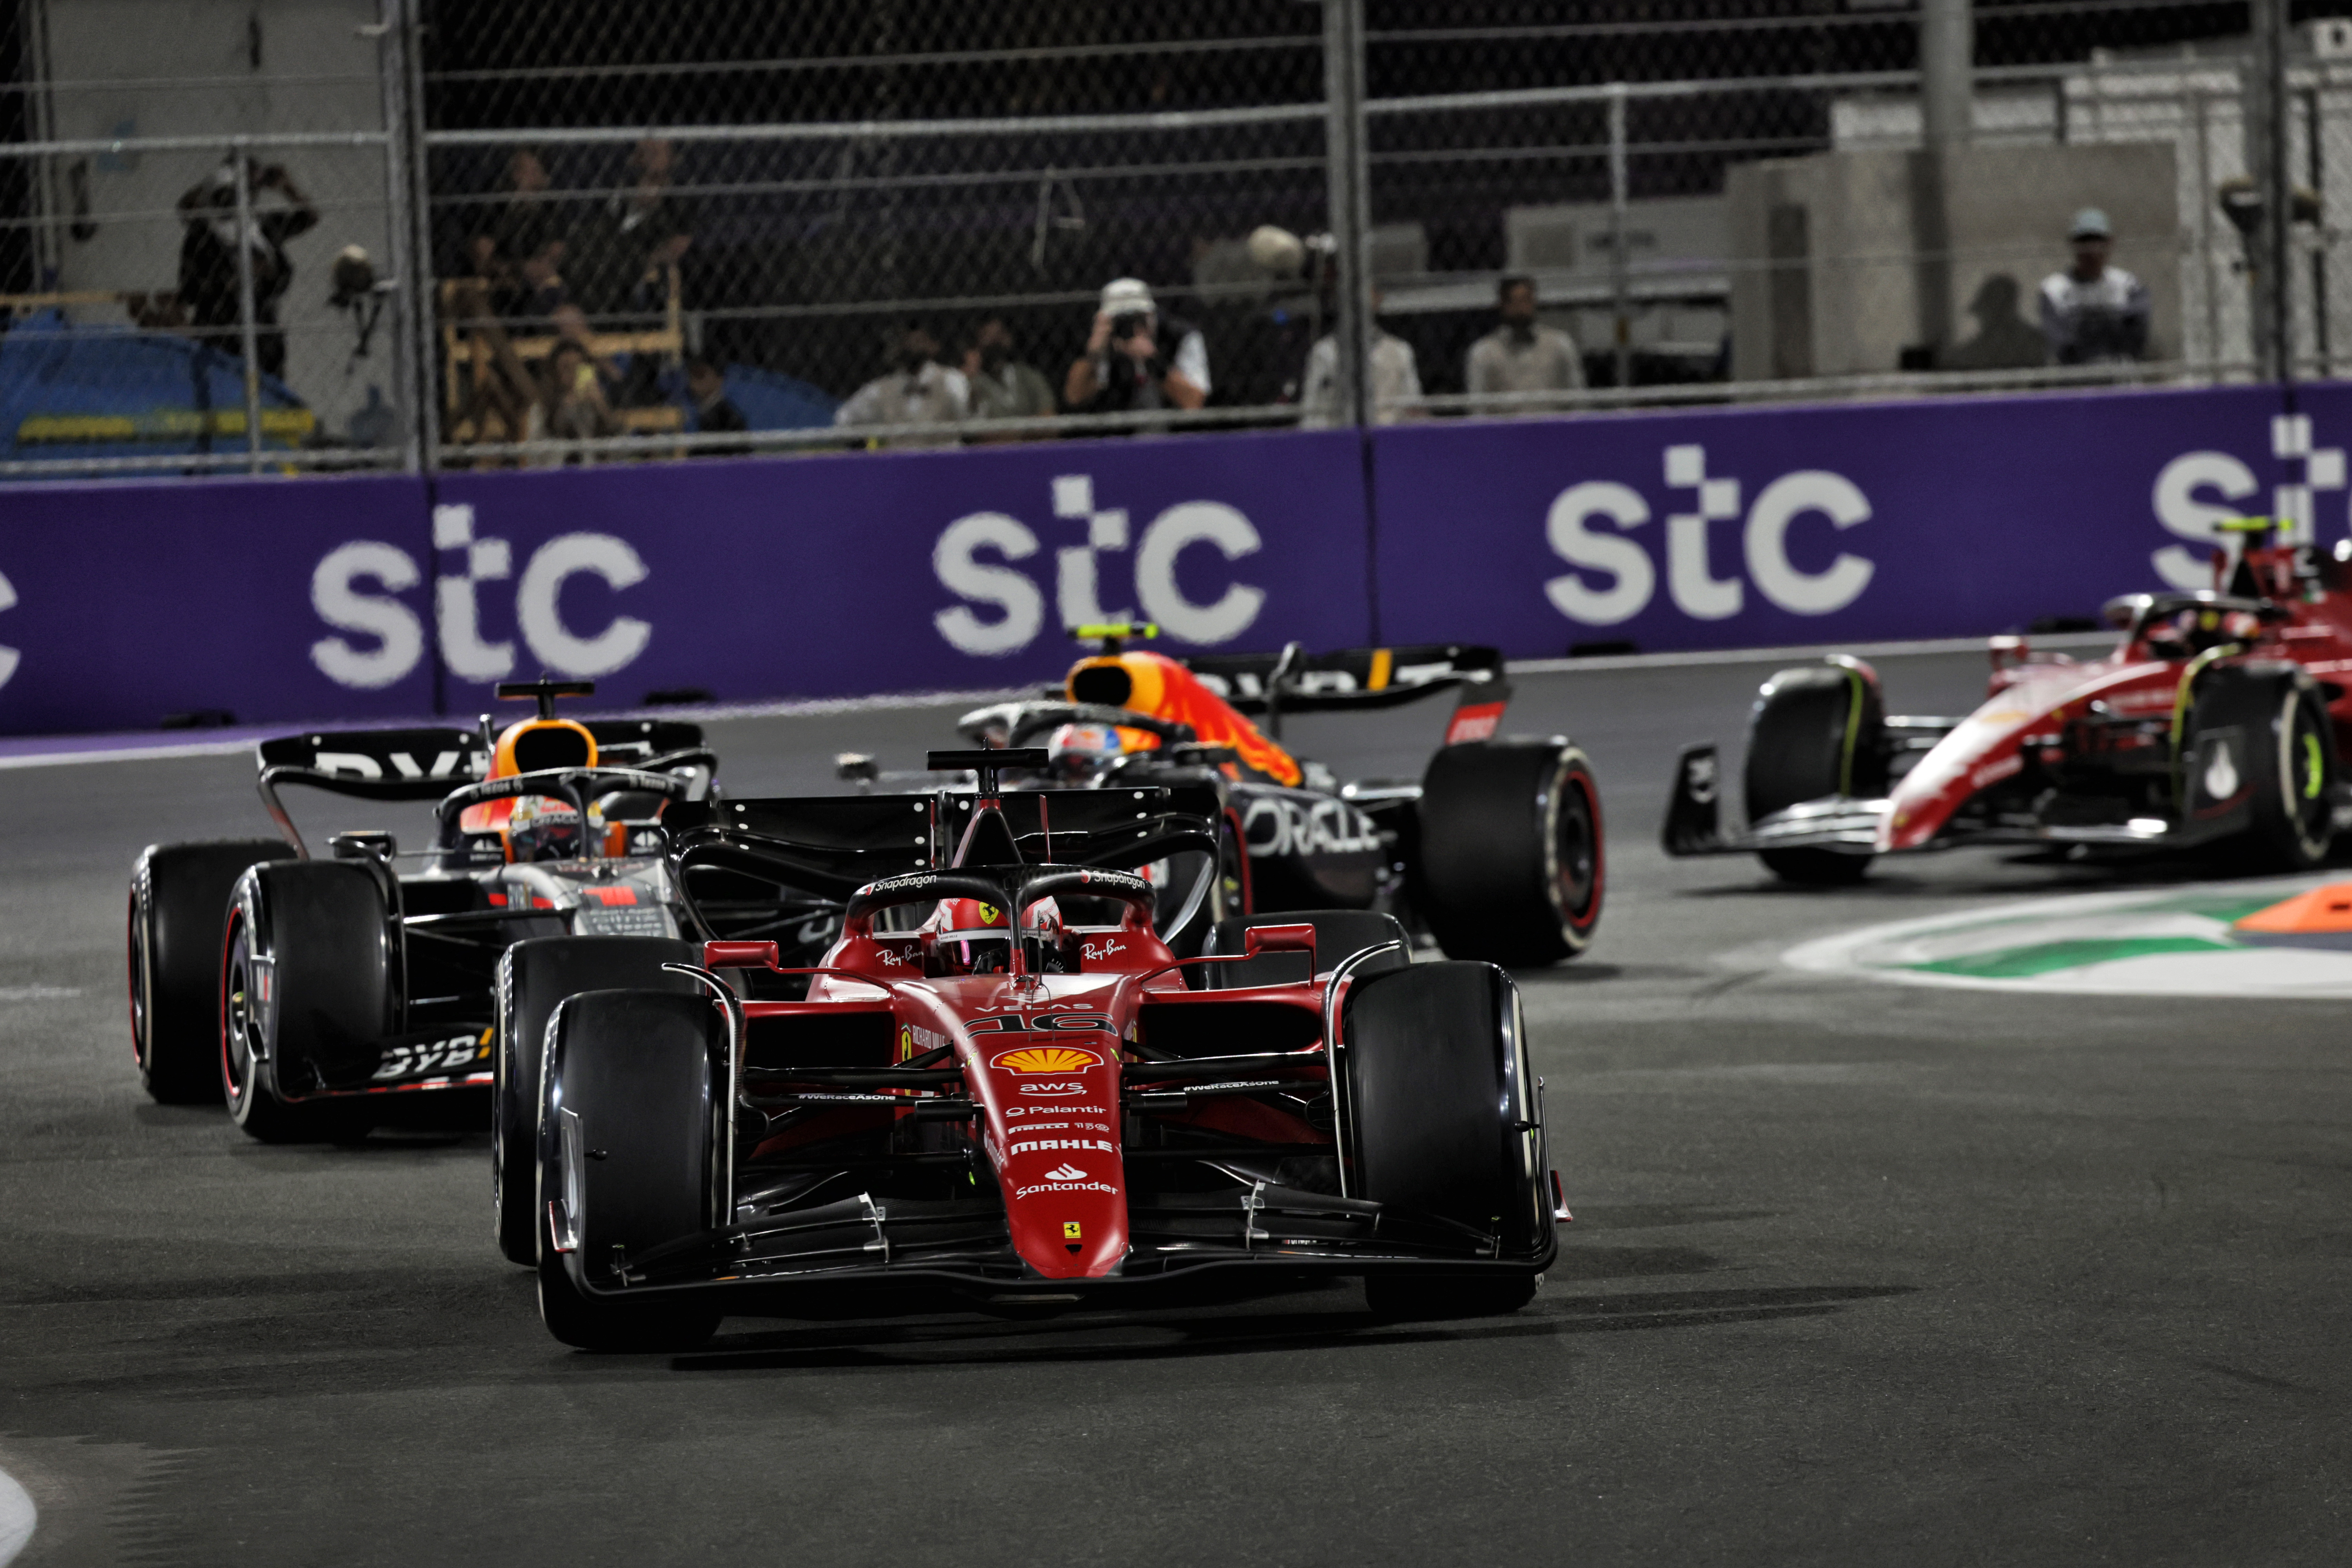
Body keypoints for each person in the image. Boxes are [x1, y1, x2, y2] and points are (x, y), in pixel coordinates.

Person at [174, 156, 319, 379]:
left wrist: (287, 186)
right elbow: (185, 208)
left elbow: (309, 218)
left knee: (268, 394)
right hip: (218, 333)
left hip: (262, 335)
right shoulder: (203, 234)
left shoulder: (260, 228)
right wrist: (227, 284)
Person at [570, 138, 695, 318]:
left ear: (672, 158)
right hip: (607, 257)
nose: (652, 157)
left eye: (659, 151)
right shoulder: (621, 189)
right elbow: (602, 224)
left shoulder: (680, 197)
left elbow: (680, 242)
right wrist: (636, 204)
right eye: (647, 151)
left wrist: (648, 261)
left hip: (641, 263)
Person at [1063, 278, 1210, 421]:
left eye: (1139, 318)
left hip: (1172, 432)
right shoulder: (1100, 340)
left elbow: (1194, 403)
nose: (1133, 327)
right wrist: (1093, 355)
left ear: (1152, 315)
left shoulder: (1180, 335)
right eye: (1121, 320)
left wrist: (1153, 361)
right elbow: (1075, 398)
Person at [2039, 208, 2151, 365]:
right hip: (2075, 376)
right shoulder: (2054, 289)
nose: (2092, 249)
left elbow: (2136, 337)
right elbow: (2061, 343)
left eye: (2098, 241)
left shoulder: (2127, 285)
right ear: (2074, 244)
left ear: (2110, 243)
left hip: (2119, 372)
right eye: (2085, 241)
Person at [1298, 290, 1423, 426]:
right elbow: (1311, 406)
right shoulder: (1323, 352)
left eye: (1367, 294)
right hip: (1338, 433)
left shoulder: (1400, 350)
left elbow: (1413, 404)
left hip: (1388, 433)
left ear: (1378, 300)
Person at [1463, 275, 1584, 415]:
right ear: (1503, 304)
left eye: (1526, 301)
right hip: (1506, 431)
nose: (1522, 309)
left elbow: (1579, 399)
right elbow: (1478, 409)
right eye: (1515, 302)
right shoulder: (1484, 353)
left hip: (1552, 429)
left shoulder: (1559, 345)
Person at [834, 325, 969, 447]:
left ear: (933, 346)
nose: (912, 344)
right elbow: (844, 419)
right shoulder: (883, 388)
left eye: (919, 340)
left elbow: (965, 418)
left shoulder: (951, 379)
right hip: (899, 464)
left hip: (944, 461)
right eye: (907, 341)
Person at [963, 317, 1056, 424]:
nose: (994, 341)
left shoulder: (1028, 375)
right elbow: (978, 433)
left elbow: (1050, 420)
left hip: (1033, 441)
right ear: (977, 343)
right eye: (987, 336)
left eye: (999, 335)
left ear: (1009, 338)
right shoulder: (971, 382)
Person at [686, 356, 751, 456]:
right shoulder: (697, 411)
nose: (694, 381)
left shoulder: (727, 416)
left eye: (700, 376)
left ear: (719, 379)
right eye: (692, 376)